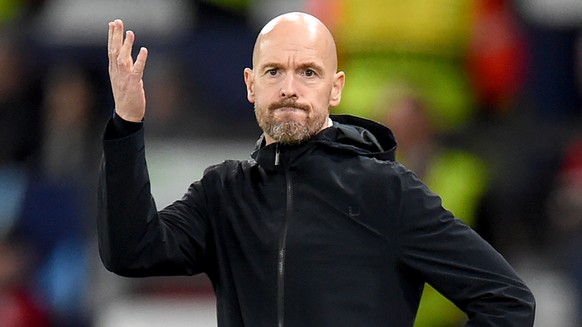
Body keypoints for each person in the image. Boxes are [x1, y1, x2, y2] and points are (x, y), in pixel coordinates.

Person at [98, 12, 535, 326]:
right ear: (251, 85)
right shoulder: (224, 193)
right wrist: (126, 127)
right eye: (274, 72)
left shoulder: (385, 191)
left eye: (308, 72)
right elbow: (131, 251)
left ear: (335, 88)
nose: (290, 89)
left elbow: (507, 301)